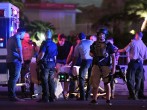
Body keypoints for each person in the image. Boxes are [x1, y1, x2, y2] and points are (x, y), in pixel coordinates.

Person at [89, 28, 116, 105]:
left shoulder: (109, 45)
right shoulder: (94, 44)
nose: (101, 36)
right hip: (96, 65)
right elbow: (90, 53)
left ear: (105, 35)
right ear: (98, 35)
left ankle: (108, 99)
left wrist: (113, 68)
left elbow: (113, 57)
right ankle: (94, 99)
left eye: (103, 34)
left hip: (106, 66)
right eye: (100, 34)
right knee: (95, 83)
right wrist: (93, 54)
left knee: (107, 83)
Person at [118, 32, 147, 100]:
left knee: (130, 79)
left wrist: (116, 50)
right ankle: (137, 94)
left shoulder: (133, 42)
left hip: (133, 63)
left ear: (136, 36)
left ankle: (132, 95)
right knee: (139, 80)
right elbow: (145, 57)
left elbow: (124, 50)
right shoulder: (144, 45)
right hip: (140, 64)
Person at [37, 30, 58, 103]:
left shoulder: (45, 43)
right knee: (51, 80)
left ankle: (45, 97)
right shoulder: (54, 44)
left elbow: (42, 54)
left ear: (45, 36)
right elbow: (55, 56)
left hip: (45, 63)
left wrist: (38, 60)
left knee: (44, 80)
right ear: (51, 36)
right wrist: (54, 64)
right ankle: (52, 97)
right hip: (52, 63)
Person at [71, 32, 93, 101]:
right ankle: (88, 95)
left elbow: (75, 57)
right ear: (85, 37)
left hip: (85, 61)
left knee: (81, 78)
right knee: (90, 78)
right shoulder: (91, 42)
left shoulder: (78, 45)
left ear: (78, 38)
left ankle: (82, 96)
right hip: (93, 61)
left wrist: (72, 65)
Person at [6, 28, 26, 102]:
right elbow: (19, 50)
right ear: (21, 33)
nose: (24, 36)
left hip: (9, 61)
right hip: (15, 61)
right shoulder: (17, 39)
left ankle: (10, 95)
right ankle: (13, 96)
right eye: (24, 34)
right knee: (14, 78)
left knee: (11, 78)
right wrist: (22, 60)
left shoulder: (10, 38)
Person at [21, 33, 39, 98]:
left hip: (31, 62)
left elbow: (37, 51)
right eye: (27, 37)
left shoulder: (31, 44)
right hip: (24, 62)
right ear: (24, 37)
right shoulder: (21, 44)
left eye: (29, 37)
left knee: (32, 78)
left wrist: (35, 45)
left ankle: (32, 92)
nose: (28, 38)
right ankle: (23, 92)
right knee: (23, 78)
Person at [55, 34, 72, 99]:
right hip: (59, 62)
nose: (61, 41)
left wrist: (67, 62)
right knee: (60, 76)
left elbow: (70, 54)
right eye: (60, 40)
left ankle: (65, 91)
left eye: (63, 40)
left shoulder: (68, 45)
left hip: (66, 62)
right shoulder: (56, 45)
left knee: (66, 77)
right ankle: (61, 91)